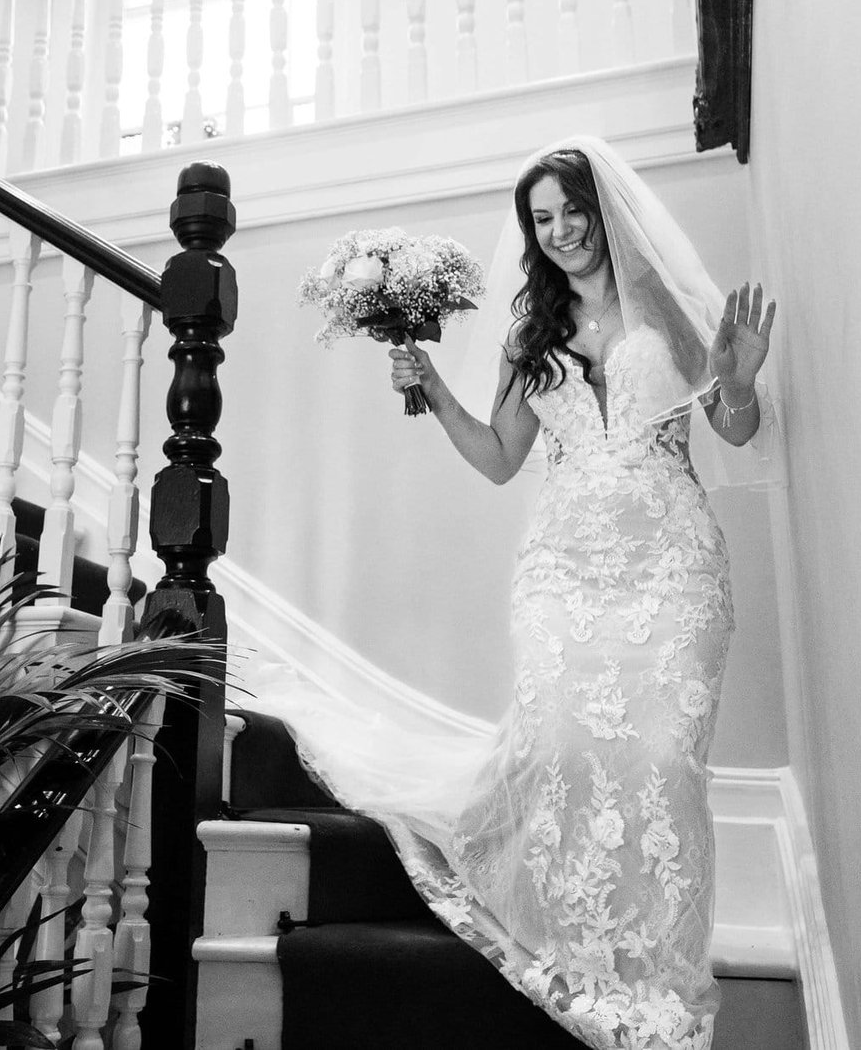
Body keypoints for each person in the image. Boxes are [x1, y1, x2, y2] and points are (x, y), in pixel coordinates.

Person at [248, 136, 776, 1050]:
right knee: (564, 748)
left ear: (601, 210)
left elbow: (730, 429)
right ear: (531, 233)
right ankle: (577, 945)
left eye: (572, 209)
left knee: (664, 766)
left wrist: (736, 382)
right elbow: (500, 461)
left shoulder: (670, 312)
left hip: (671, 565)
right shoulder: (530, 334)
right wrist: (435, 389)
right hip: (563, 572)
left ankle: (652, 975)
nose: (562, 229)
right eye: (543, 219)